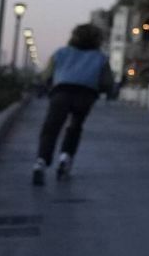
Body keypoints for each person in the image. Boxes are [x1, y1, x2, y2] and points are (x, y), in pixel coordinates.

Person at [33, 24, 113, 185]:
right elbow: (107, 83)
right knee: (75, 127)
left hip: (61, 93)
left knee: (51, 128)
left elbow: (45, 76)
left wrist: (49, 85)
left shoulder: (60, 53)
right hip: (86, 95)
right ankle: (65, 158)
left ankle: (41, 162)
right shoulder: (100, 58)